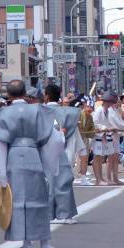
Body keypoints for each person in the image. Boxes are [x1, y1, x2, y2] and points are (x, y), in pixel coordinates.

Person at [0, 79, 63, 248]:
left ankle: (27, 243)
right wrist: (50, 164)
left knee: (18, 199)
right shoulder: (38, 110)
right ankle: (45, 242)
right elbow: (53, 139)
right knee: (39, 197)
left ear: (8, 94)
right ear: (25, 93)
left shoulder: (4, 113)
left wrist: (0, 174)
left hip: (14, 156)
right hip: (33, 154)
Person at [42, 83, 80, 223]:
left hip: (44, 149)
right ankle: (65, 214)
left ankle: (49, 214)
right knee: (64, 180)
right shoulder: (70, 112)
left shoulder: (40, 111)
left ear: (46, 96)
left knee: (47, 182)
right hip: (62, 149)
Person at [92, 93, 124, 185]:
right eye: (111, 102)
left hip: (105, 135)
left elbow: (107, 124)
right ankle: (98, 179)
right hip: (99, 136)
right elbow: (95, 123)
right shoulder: (99, 110)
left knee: (101, 158)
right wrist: (105, 128)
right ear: (106, 102)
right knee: (97, 158)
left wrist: (110, 128)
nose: (112, 104)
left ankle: (101, 178)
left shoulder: (108, 111)